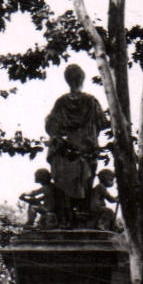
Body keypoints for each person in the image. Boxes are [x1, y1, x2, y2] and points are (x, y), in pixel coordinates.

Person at [44, 64, 110, 226]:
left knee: (64, 185)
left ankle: (65, 217)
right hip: (85, 150)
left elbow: (51, 125)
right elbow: (103, 123)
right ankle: (82, 215)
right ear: (82, 79)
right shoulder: (91, 101)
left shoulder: (61, 102)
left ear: (67, 80)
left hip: (64, 152)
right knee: (84, 183)